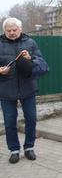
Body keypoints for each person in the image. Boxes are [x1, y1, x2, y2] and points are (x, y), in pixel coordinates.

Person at [0, 18, 49, 164]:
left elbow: (43, 66)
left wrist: (31, 59)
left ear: (20, 29)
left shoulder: (30, 43)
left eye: (14, 30)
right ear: (4, 31)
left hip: (28, 89)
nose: (12, 33)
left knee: (31, 119)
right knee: (9, 122)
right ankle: (14, 150)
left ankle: (29, 148)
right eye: (8, 30)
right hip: (6, 90)